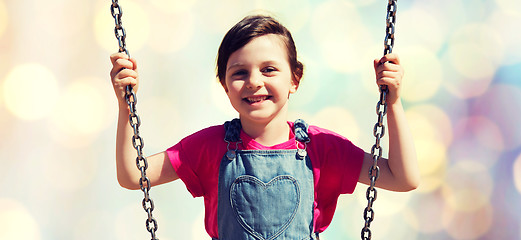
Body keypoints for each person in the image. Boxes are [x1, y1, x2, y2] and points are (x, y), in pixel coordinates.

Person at [110, 14, 419, 240]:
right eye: (239, 73)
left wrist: (392, 104)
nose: (254, 81)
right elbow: (133, 176)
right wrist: (126, 107)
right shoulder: (210, 146)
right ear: (225, 85)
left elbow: (402, 178)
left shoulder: (322, 148)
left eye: (269, 69)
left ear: (294, 79)